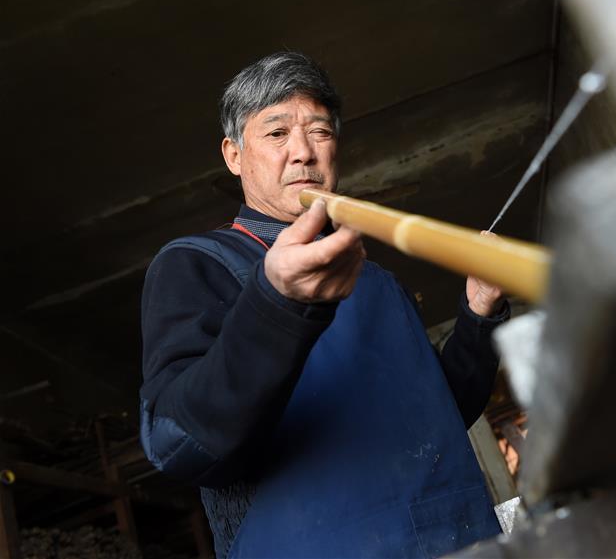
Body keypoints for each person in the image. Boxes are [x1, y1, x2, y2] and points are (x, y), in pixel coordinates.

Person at [139, 51, 509, 559]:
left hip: (461, 539)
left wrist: (478, 314)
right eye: (276, 133)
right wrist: (277, 303)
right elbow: (176, 443)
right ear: (233, 155)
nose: (303, 153)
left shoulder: (374, 278)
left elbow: (435, 416)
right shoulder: (197, 264)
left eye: (319, 132)